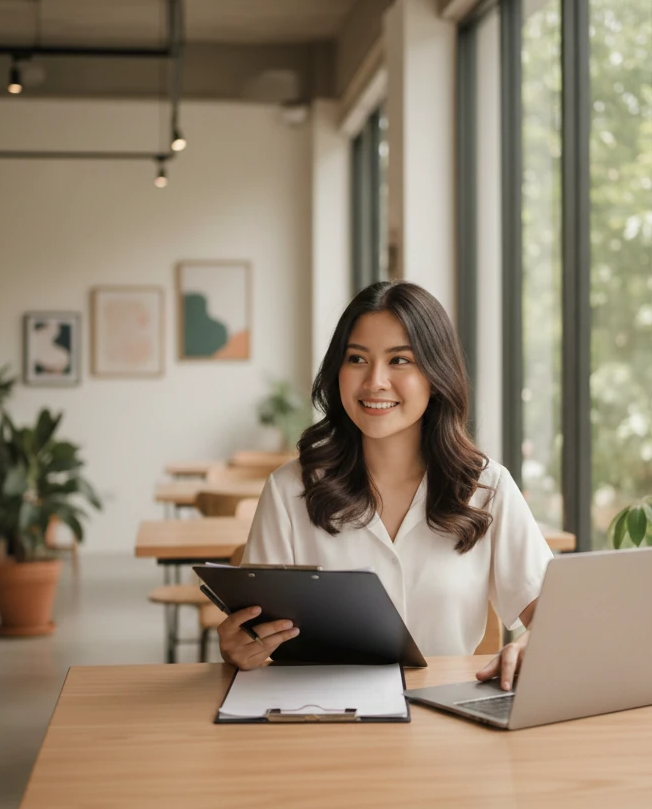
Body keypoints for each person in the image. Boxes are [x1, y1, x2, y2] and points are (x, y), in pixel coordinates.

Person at [217, 280, 553, 690]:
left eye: (400, 361)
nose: (375, 381)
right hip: (323, 719)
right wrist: (240, 647)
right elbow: (255, 629)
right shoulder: (289, 490)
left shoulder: (487, 486)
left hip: (449, 724)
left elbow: (555, 617)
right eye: (357, 358)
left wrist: (533, 644)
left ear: (436, 373)